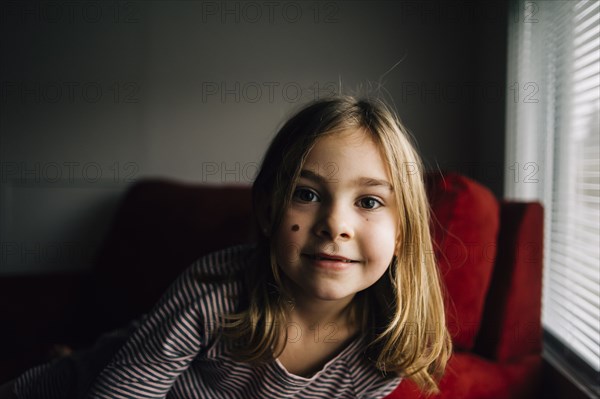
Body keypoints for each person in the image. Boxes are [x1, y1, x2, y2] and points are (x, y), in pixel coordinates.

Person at [9, 95, 451, 399]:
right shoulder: (217, 289)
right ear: (265, 211)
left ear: (402, 233)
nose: (335, 225)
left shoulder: (386, 346)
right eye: (307, 194)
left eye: (369, 202)